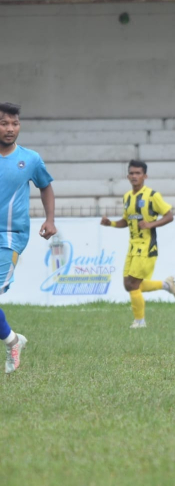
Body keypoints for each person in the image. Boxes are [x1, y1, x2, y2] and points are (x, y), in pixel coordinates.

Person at [0, 102, 57, 373]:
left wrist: (49, 219)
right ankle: (12, 340)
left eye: (14, 123)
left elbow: (46, 186)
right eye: (4, 123)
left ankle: (11, 341)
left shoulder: (30, 159)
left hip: (10, 237)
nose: (10, 129)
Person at [101, 160, 175, 328]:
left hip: (146, 246)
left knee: (132, 284)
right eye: (131, 173)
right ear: (128, 176)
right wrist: (111, 224)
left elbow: (169, 216)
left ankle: (140, 321)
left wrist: (150, 224)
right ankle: (166, 285)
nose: (134, 176)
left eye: (138, 173)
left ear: (145, 176)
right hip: (132, 246)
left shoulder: (152, 196)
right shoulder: (127, 197)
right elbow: (126, 221)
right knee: (128, 285)